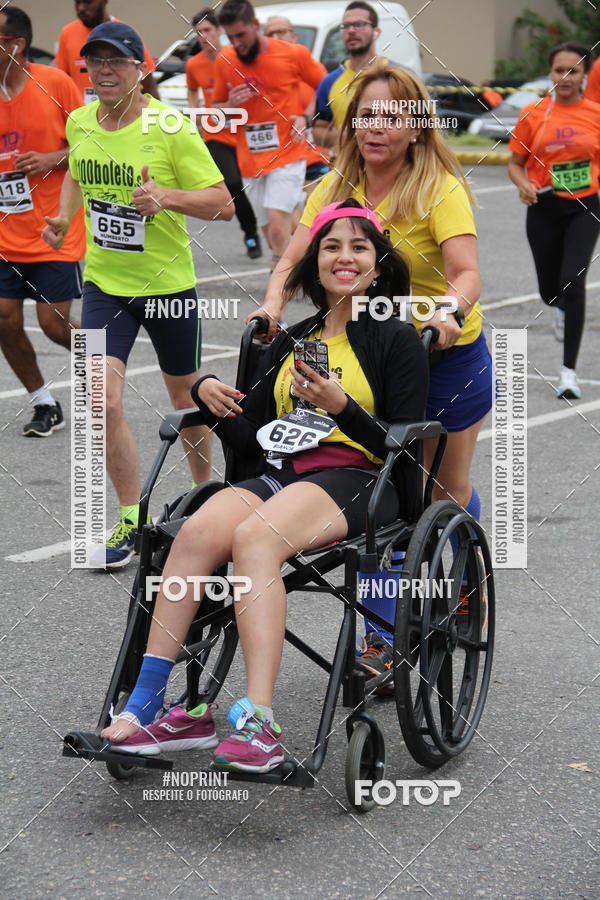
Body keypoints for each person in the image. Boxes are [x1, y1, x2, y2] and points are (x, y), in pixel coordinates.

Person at [100, 200, 429, 771]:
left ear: (378, 268)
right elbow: (252, 430)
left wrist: (341, 407)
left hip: (359, 476)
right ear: (313, 265)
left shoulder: (397, 340)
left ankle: (259, 722)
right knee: (195, 532)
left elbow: (400, 443)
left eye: (358, 248)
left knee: (256, 538)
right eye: (330, 247)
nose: (344, 257)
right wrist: (208, 393)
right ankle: (153, 703)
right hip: (279, 472)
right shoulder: (291, 339)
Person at [252, 62, 492, 679]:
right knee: (386, 497)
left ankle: (462, 590)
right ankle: (381, 638)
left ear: (414, 127)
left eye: (389, 117)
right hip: (367, 354)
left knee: (438, 497)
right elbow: (293, 257)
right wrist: (274, 304)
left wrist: (444, 316)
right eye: (364, 116)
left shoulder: (438, 184)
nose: (374, 128)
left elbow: (467, 273)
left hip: (444, 356)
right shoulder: (334, 185)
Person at [42, 22, 233, 568]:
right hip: (105, 284)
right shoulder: (80, 120)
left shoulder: (170, 126)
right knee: (101, 400)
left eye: (116, 61)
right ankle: (132, 518)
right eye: (95, 61)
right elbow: (78, 174)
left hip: (168, 286)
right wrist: (62, 218)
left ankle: (204, 497)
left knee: (187, 400)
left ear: (140, 70)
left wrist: (165, 197)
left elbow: (222, 202)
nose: (104, 70)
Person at [0, 6, 86, 437]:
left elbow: (92, 143)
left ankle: (101, 361)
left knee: (54, 324)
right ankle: (44, 403)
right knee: (3, 320)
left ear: (14, 45)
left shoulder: (54, 83)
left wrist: (54, 157)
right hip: (4, 233)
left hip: (54, 228)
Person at [509, 41, 600, 400]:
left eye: (572, 71)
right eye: (559, 70)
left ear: (584, 75)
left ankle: (568, 373)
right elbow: (515, 164)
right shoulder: (533, 113)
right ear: (551, 73)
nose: (564, 77)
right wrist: (525, 184)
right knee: (551, 291)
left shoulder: (595, 112)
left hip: (584, 208)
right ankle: (558, 307)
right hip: (543, 208)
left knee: (573, 283)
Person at [212, 0, 327, 270]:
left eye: (241, 35)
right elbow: (215, 109)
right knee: (274, 234)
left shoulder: (292, 53)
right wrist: (229, 105)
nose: (237, 43)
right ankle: (303, 269)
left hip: (289, 151)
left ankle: (279, 288)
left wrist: (306, 116)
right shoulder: (225, 59)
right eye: (231, 37)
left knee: (278, 226)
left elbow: (324, 85)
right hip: (250, 160)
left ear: (255, 25)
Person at [186, 8, 261, 259]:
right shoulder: (194, 64)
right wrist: (195, 111)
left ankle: (275, 228)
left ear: (220, 31)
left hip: (244, 131)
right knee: (231, 182)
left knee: (261, 186)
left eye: (207, 30)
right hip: (216, 131)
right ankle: (251, 234)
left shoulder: (234, 57)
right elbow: (193, 90)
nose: (203, 36)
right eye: (198, 32)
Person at [263, 14, 330, 228]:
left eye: (281, 32)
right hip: (280, 162)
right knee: (290, 228)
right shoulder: (263, 76)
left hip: (313, 158)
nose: (276, 37)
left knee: (314, 222)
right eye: (270, 34)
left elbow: (331, 103)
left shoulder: (313, 70)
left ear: (293, 36)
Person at [312, 1, 394, 150]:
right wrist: (345, 135)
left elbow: (423, 124)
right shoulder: (329, 82)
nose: (351, 31)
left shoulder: (399, 75)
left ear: (376, 32)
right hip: (347, 170)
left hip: (393, 170)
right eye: (345, 26)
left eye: (359, 24)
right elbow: (318, 132)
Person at [55, 0, 159, 103]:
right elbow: (62, 80)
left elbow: (148, 83)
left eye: (88, 2)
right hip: (82, 115)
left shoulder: (126, 34)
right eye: (77, 2)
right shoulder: (68, 33)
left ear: (104, 1)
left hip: (119, 114)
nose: (81, 8)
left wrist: (156, 115)